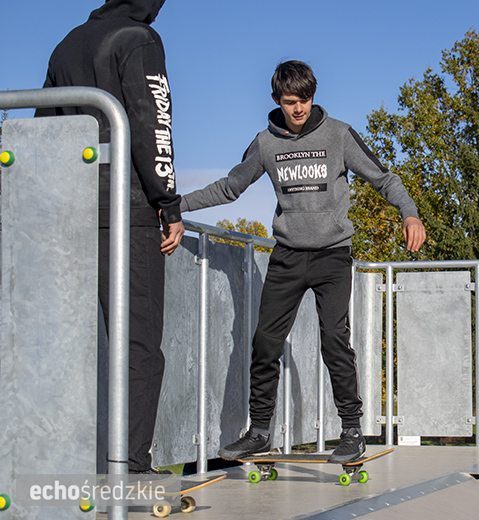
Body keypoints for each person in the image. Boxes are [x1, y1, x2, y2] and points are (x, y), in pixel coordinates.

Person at [181, 60, 426, 463]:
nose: (299, 109)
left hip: (332, 255)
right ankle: (260, 432)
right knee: (265, 343)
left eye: (305, 100)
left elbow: (384, 179)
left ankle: (352, 431)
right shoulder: (265, 143)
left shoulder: (339, 135)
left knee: (334, 338)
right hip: (288, 256)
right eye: (291, 102)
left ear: (313, 97)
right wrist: (175, 206)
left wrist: (409, 213)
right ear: (276, 99)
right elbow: (230, 187)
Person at [36, 0, 185, 474]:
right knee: (139, 346)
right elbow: (152, 124)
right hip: (127, 208)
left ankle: (64, 464)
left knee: (70, 344)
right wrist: (168, 202)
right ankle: (130, 467)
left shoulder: (67, 44)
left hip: (69, 209)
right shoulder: (139, 40)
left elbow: (44, 128)